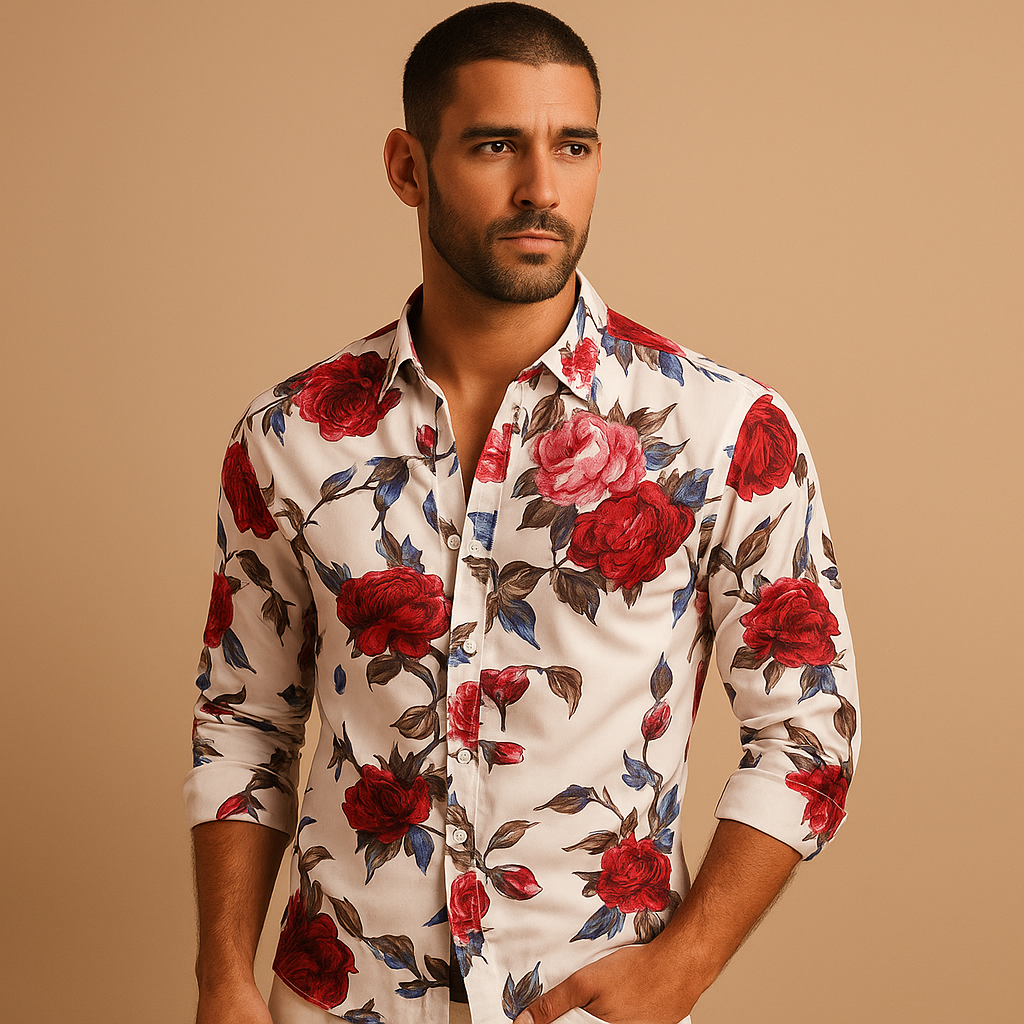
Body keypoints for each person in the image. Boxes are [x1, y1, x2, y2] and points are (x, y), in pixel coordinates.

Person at [186, 5, 860, 1024]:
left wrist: (679, 970)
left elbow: (808, 728)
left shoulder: (723, 428)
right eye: (496, 145)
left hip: (586, 1006)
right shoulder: (289, 434)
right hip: (336, 998)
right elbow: (244, 719)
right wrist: (222, 980)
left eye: (572, 146)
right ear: (408, 168)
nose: (542, 187)